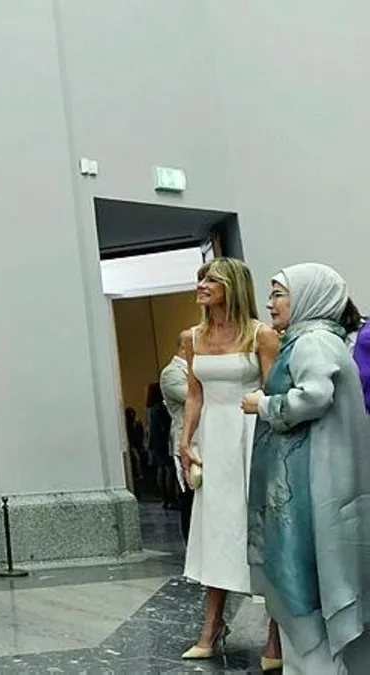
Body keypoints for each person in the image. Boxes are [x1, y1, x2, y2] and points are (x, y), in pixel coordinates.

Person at [241, 263, 370, 674]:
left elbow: (314, 397)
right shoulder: (315, 339)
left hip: (313, 485)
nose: (270, 303)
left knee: (308, 582)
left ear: (309, 297)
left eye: (279, 294)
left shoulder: (312, 341)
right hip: (311, 479)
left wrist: (263, 404)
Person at [177, 257, 281, 663]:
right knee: (216, 529)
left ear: (232, 286)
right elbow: (195, 394)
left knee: (259, 530)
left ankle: (276, 633)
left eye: (211, 280)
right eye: (201, 279)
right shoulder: (192, 337)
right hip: (213, 439)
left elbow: (274, 392)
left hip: (252, 436)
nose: (201, 285)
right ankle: (212, 626)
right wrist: (185, 441)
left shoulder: (262, 335)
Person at [160, 331, 193, 539]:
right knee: (190, 496)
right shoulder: (171, 373)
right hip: (185, 441)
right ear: (184, 347)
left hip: (202, 439)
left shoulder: (193, 370)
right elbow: (192, 397)